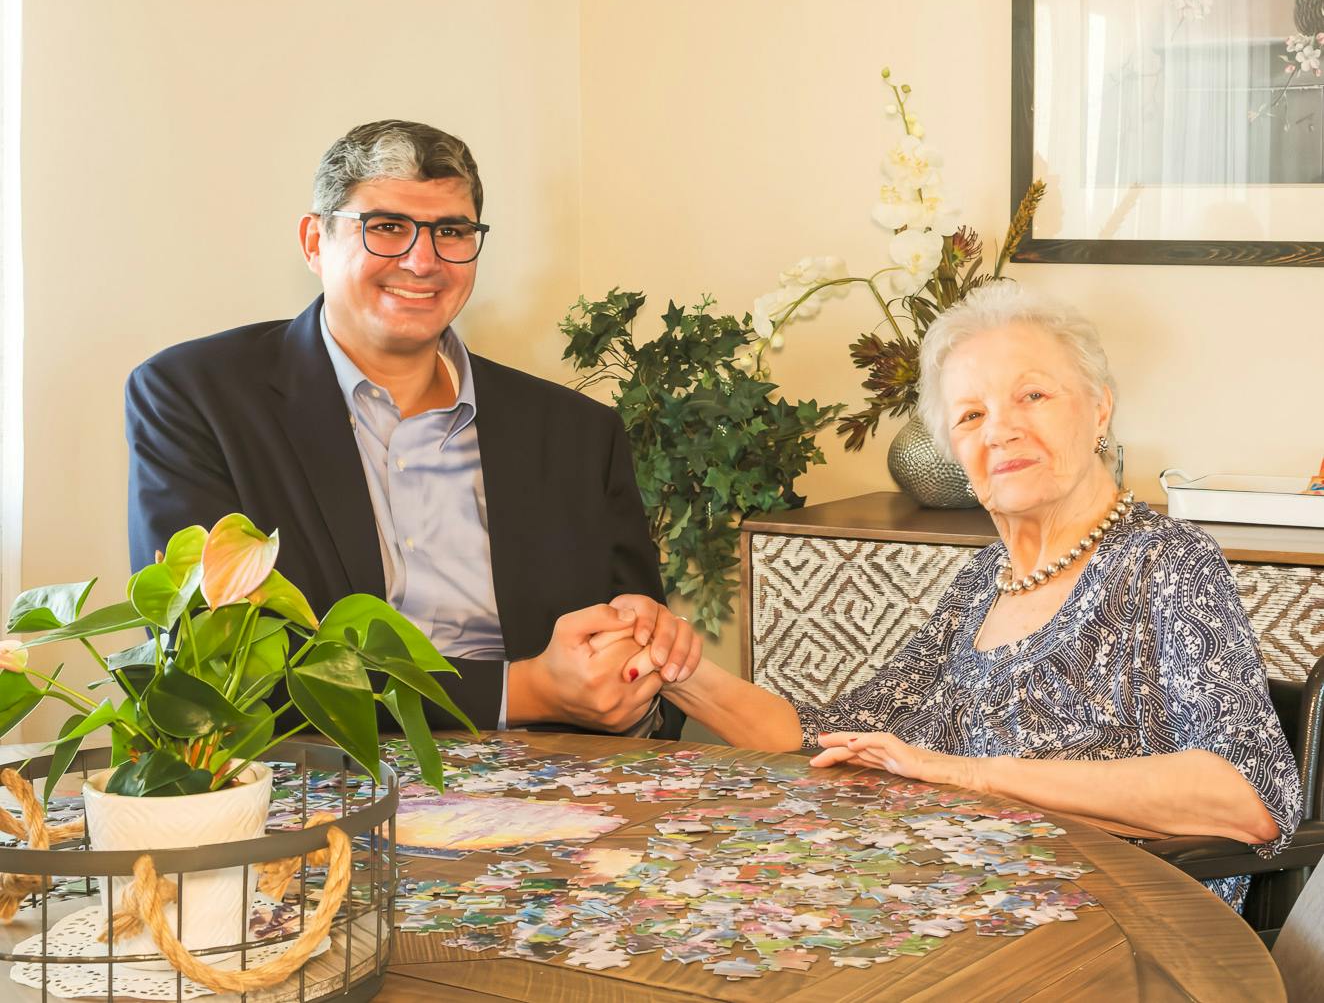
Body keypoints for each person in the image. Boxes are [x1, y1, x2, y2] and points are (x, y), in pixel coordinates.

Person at [659, 283, 1300, 908]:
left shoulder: (1168, 562)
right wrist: (673, 664)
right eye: (972, 415)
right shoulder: (979, 584)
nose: (1001, 430)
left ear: (1099, 408)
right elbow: (823, 739)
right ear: (954, 452)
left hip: (1118, 928)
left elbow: (1248, 799)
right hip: (951, 907)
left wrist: (968, 775)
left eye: (1033, 395)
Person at [126, 120, 700, 734]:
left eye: (451, 231)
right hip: (319, 784)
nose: (422, 261)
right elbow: (219, 663)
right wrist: (522, 691)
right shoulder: (195, 397)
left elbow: (634, 658)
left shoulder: (579, 435)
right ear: (315, 241)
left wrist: (629, 677)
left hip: (564, 786)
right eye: (387, 228)